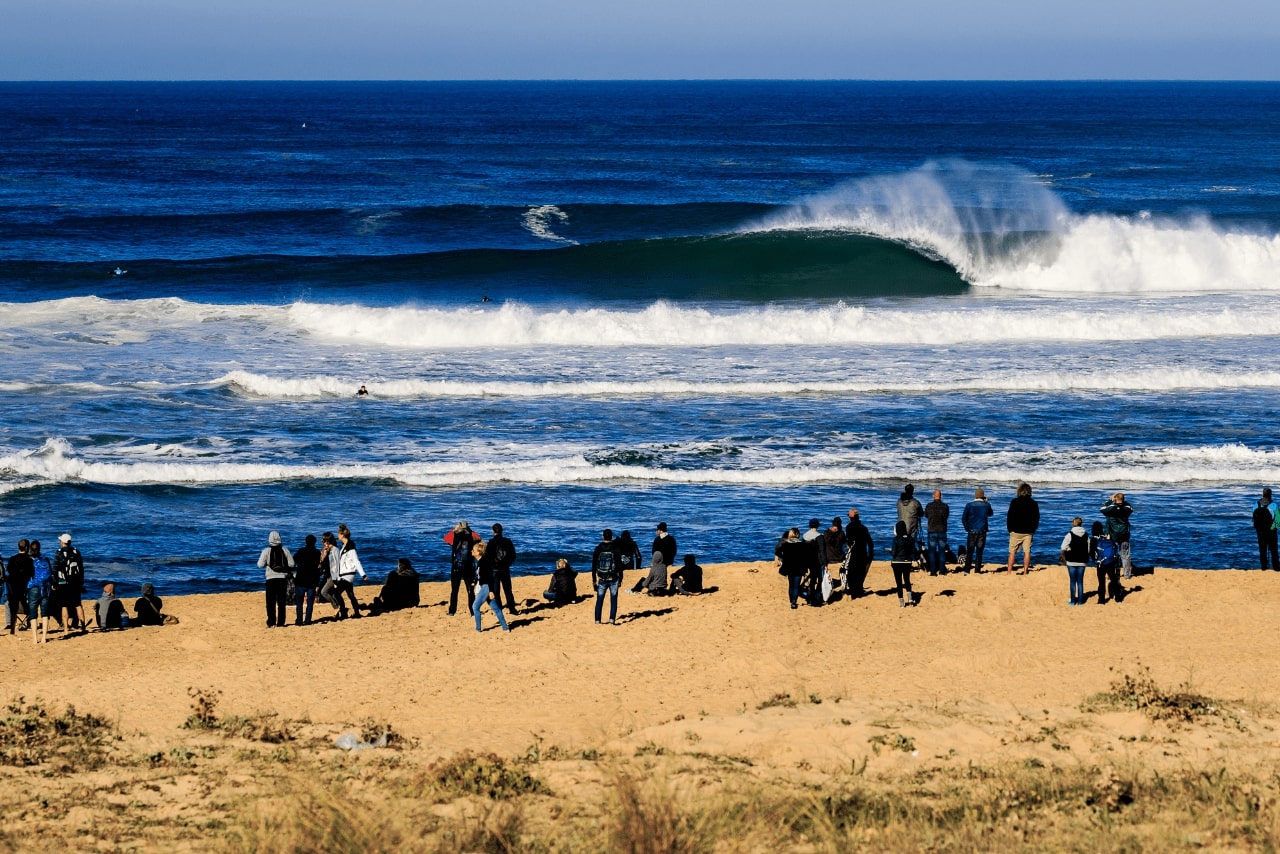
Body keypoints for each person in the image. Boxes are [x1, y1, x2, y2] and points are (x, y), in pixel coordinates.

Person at [257, 531, 295, 628]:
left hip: (270, 579)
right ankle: (281, 622)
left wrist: (268, 564)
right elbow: (292, 564)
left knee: (270, 602)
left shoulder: (266, 551)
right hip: (282, 579)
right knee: (281, 602)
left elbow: (260, 565)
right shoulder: (285, 550)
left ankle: (271, 622)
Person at [471, 541, 510, 632]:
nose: (471, 551)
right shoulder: (480, 562)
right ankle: (505, 628)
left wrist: (491, 591)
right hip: (485, 586)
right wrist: (474, 582)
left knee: (475, 607)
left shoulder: (484, 562)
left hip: (487, 587)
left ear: (478, 552)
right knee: (496, 608)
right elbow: (479, 575)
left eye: (473, 550)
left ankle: (478, 629)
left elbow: (489, 577)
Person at [53, 533, 88, 635]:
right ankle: (83, 627)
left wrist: (55, 582)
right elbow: (81, 569)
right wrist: (81, 582)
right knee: (78, 604)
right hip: (75, 582)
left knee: (64, 606)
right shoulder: (76, 552)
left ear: (62, 542)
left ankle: (66, 629)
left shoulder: (58, 553)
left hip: (63, 582)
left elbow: (55, 569)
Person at [444, 521, 481, 616]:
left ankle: (452, 611)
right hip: (468, 565)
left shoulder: (455, 535)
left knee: (454, 590)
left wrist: (454, 529)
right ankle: (472, 611)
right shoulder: (471, 536)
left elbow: (446, 539)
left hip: (457, 565)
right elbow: (479, 538)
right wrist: (470, 530)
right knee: (470, 589)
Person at [1005, 482, 1040, 574]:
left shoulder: (1014, 502)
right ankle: (1025, 571)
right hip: (1028, 531)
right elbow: (1036, 518)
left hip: (1015, 531)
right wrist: (1033, 529)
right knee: (1027, 552)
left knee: (1012, 552)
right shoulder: (1033, 503)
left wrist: (1010, 529)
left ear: (1019, 491)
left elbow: (1010, 517)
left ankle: (1009, 571)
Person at [334, 523, 367, 618]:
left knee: (336, 592)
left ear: (342, 534)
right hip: (345, 574)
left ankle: (343, 612)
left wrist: (363, 574)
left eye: (338, 533)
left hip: (347, 574)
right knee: (350, 594)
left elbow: (356, 561)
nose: (337, 535)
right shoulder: (344, 546)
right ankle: (357, 612)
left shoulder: (350, 547)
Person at [1100, 492, 1135, 579]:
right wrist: (1122, 501)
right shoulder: (1126, 509)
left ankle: (1112, 573)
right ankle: (1127, 574)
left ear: (1115, 499)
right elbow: (1131, 508)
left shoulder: (1111, 509)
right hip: (1124, 534)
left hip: (1112, 534)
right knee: (1125, 554)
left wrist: (1110, 501)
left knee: (1111, 554)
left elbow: (1102, 508)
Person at [841, 509, 874, 599]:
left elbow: (850, 541)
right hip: (863, 552)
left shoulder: (849, 527)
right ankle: (858, 590)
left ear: (850, 518)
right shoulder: (863, 528)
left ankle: (854, 591)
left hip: (854, 552)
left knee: (852, 572)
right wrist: (871, 553)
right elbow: (870, 542)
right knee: (860, 572)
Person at [961, 488, 994, 573]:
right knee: (979, 552)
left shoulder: (969, 505)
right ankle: (977, 570)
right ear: (983, 496)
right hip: (982, 531)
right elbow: (990, 513)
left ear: (975, 495)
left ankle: (967, 570)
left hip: (971, 531)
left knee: (970, 552)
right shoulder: (986, 505)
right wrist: (986, 502)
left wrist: (967, 528)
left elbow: (964, 518)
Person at [292, 534, 322, 626]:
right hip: (312, 579)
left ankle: (299, 620)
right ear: (314, 542)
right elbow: (318, 565)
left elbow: (293, 560)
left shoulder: (301, 551)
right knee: (310, 602)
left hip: (301, 578)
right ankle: (308, 620)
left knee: (299, 601)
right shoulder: (317, 553)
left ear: (306, 542)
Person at [1091, 521, 1123, 604]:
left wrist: (1095, 559)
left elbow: (1091, 552)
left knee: (1101, 582)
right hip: (1110, 561)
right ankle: (1118, 598)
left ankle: (1101, 600)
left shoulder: (1094, 539)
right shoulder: (1106, 537)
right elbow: (1115, 547)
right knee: (1113, 579)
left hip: (1100, 563)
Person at [488, 523, 518, 614]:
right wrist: (508, 564)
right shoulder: (508, 541)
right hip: (505, 568)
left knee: (496, 591)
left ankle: (499, 608)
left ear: (493, 531)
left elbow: (488, 557)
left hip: (495, 569)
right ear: (501, 531)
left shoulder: (491, 542)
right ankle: (512, 608)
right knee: (508, 590)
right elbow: (513, 555)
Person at [775, 528, 809, 609]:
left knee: (791, 585)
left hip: (789, 567)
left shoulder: (786, 544)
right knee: (796, 586)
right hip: (799, 567)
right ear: (798, 535)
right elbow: (806, 556)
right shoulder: (803, 545)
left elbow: (778, 552)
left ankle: (791, 601)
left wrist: (784, 558)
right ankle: (794, 601)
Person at [1060, 517, 1089, 606]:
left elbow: (1063, 547)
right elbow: (1088, 548)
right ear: (1081, 524)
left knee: (1073, 581)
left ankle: (1073, 601)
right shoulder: (1086, 535)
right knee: (1080, 581)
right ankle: (1080, 601)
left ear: (1073, 524)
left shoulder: (1070, 534)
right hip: (1082, 561)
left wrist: (1069, 548)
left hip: (1071, 560)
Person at [6, 540, 33, 634]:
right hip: (25, 586)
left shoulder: (12, 559)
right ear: (26, 548)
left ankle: (12, 628)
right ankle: (29, 623)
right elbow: (32, 573)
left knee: (13, 607)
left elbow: (9, 571)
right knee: (27, 604)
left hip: (13, 586)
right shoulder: (29, 560)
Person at [27, 540, 51, 644]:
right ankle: (44, 638)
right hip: (45, 587)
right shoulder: (45, 559)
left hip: (33, 588)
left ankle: (35, 638)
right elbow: (51, 574)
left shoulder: (29, 561)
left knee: (33, 613)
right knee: (45, 613)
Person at [890, 521, 919, 608]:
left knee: (899, 583)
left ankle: (901, 602)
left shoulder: (895, 539)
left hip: (897, 562)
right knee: (907, 579)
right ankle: (910, 598)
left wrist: (891, 552)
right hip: (907, 562)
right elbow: (913, 551)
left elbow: (894, 552)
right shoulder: (910, 538)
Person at [594, 540, 624, 624]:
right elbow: (619, 565)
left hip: (602, 578)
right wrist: (621, 577)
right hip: (613, 578)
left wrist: (594, 580)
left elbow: (594, 564)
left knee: (599, 600)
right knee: (613, 600)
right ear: (611, 537)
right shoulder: (616, 549)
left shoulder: (598, 548)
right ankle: (612, 620)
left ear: (603, 537)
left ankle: (597, 620)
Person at [801, 518, 829, 606]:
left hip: (807, 560)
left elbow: (803, 549)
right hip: (817, 560)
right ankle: (815, 596)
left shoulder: (805, 535)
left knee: (812, 578)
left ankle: (810, 595)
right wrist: (825, 563)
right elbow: (822, 551)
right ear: (817, 525)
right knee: (819, 578)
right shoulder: (819, 536)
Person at [923, 490, 950, 576]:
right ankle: (942, 570)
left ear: (933, 496)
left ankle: (933, 571)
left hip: (932, 530)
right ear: (941, 496)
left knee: (932, 551)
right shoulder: (945, 506)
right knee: (942, 551)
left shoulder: (929, 506)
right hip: (942, 531)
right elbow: (946, 516)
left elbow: (926, 515)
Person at [1253, 488, 1279, 570]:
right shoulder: (1274, 505)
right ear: (1270, 495)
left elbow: (1254, 518)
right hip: (1271, 531)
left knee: (1262, 550)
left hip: (1260, 531)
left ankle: (1264, 567)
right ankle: (1276, 568)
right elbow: (1278, 521)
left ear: (1262, 494)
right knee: (1274, 551)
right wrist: (1274, 528)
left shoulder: (1256, 504)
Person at [318, 531, 341, 612]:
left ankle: (336, 607)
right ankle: (341, 610)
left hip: (334, 576)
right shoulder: (326, 551)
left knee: (323, 592)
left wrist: (337, 578)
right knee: (333, 593)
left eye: (323, 541)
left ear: (328, 541)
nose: (322, 542)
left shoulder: (335, 550)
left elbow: (338, 564)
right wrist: (324, 554)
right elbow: (320, 564)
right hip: (327, 575)